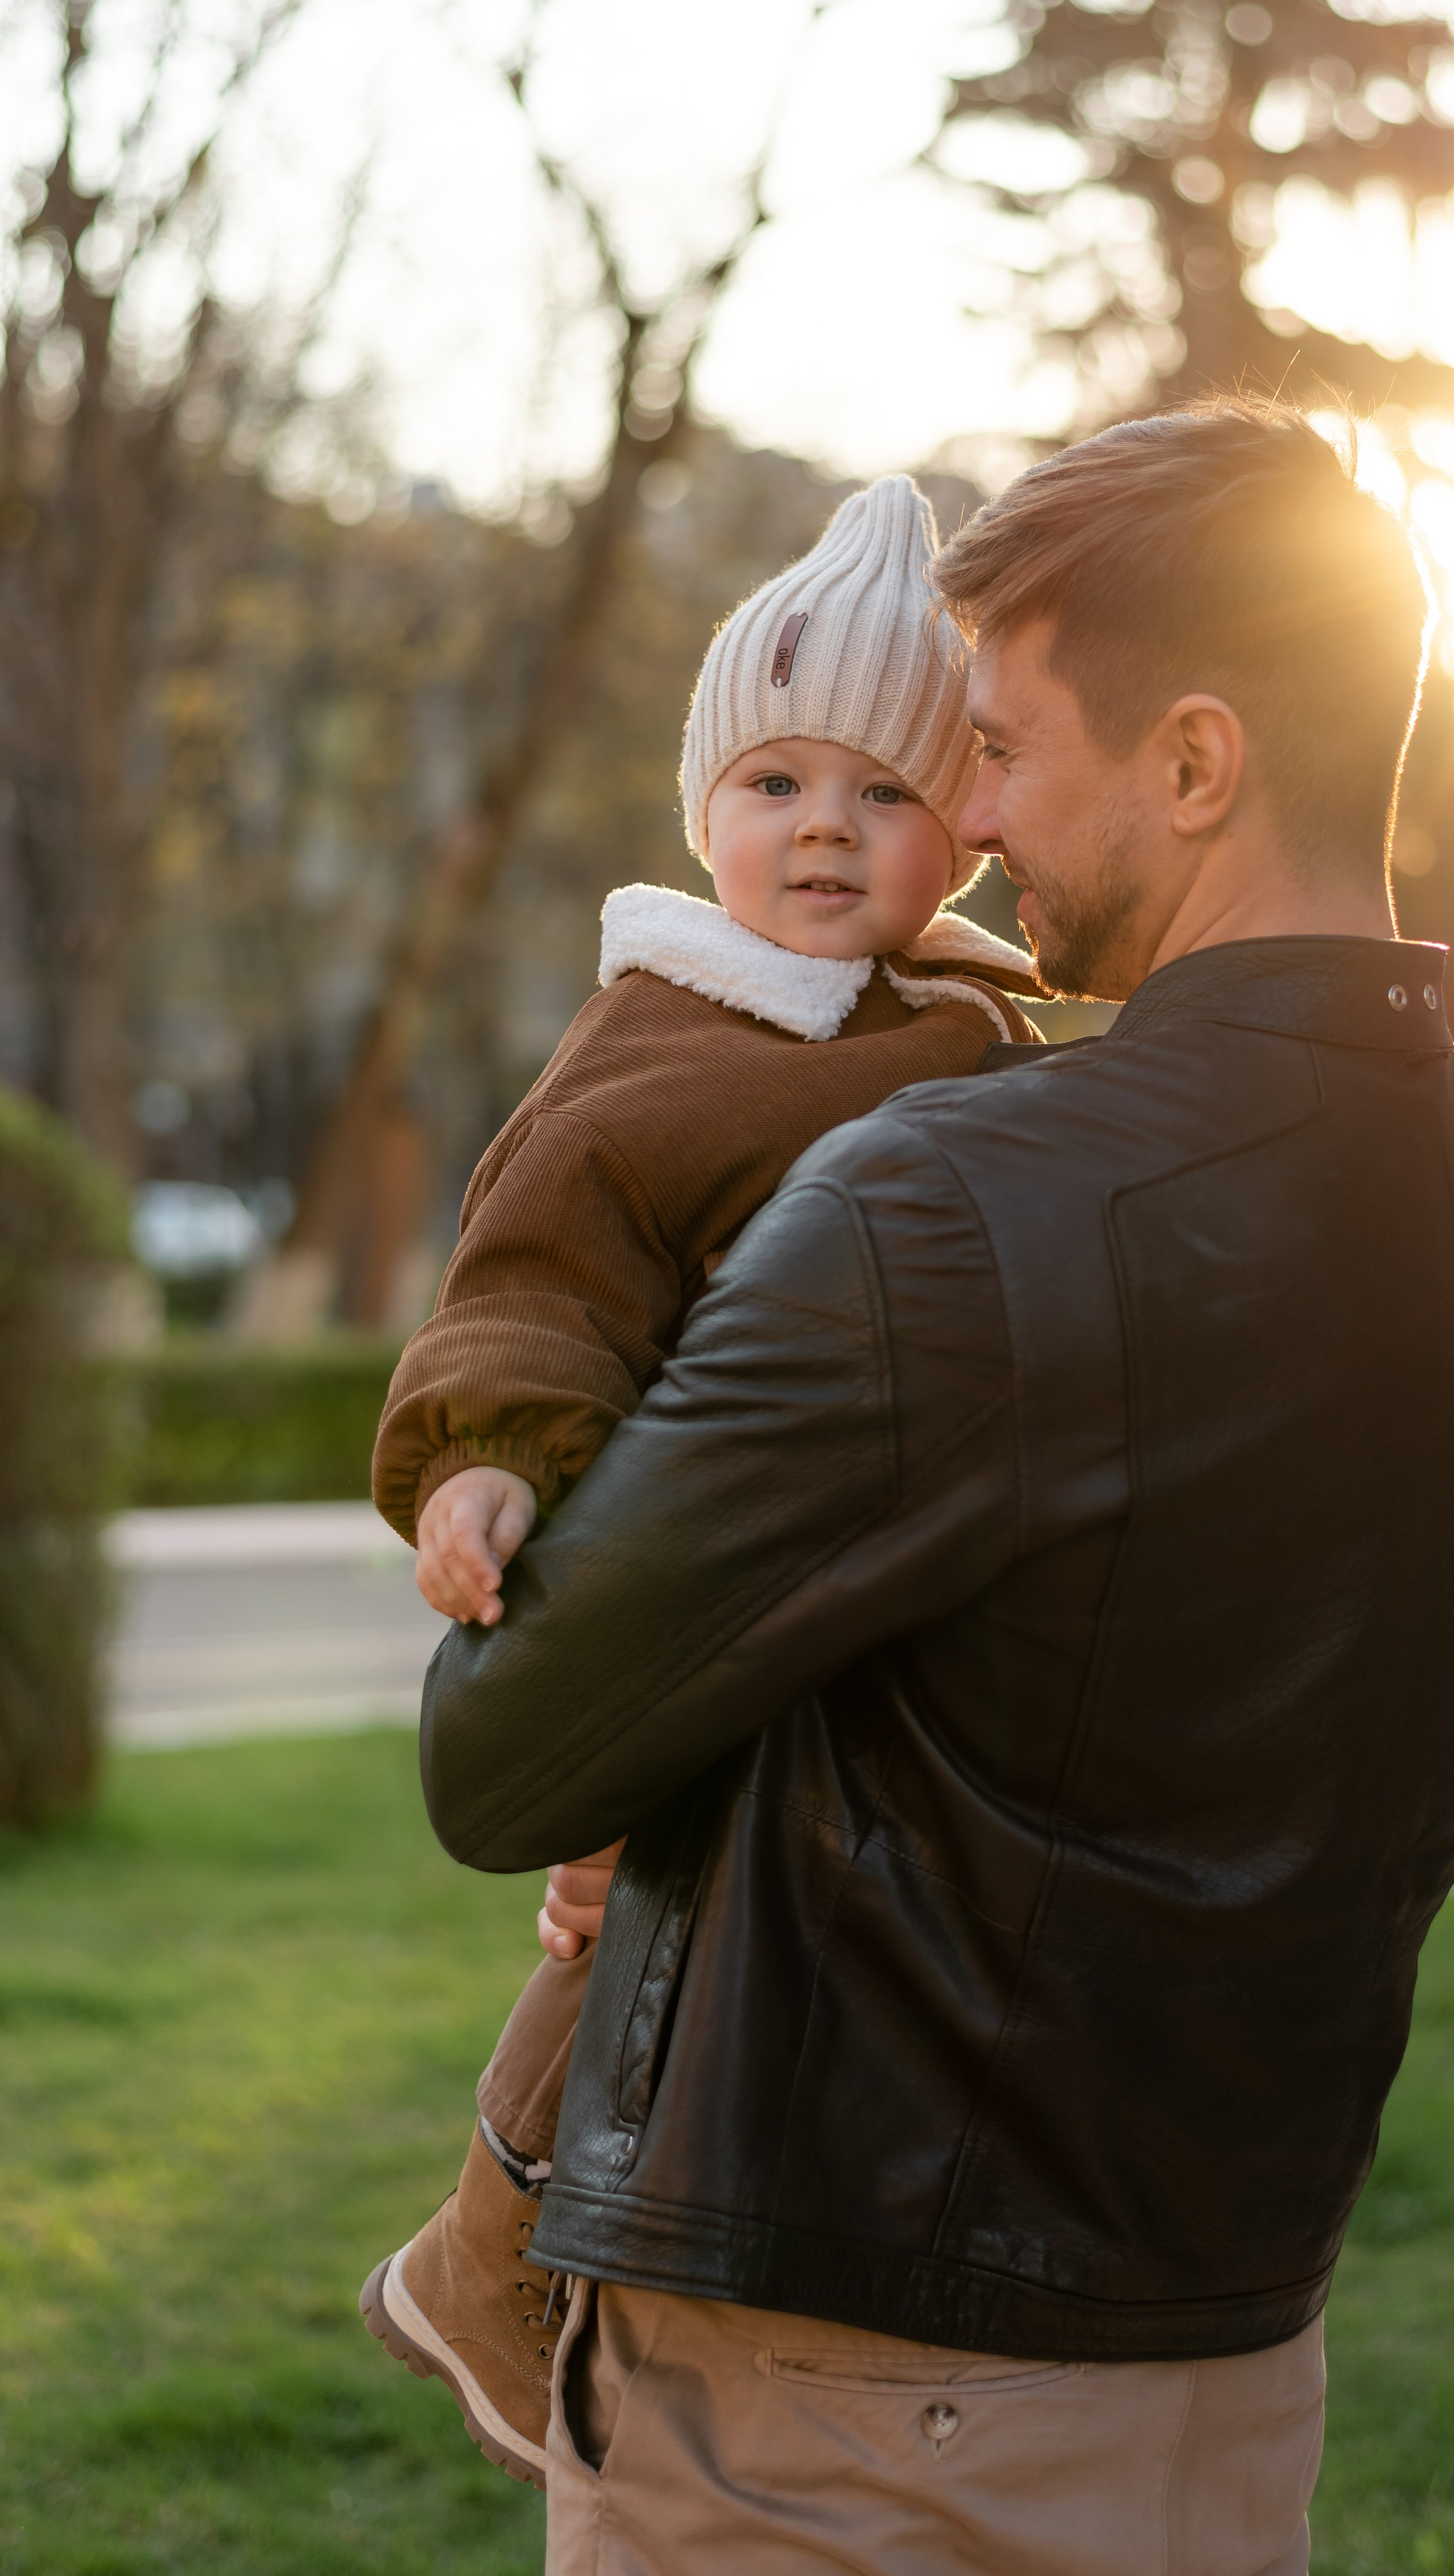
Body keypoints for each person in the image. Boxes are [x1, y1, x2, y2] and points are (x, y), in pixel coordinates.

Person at [420, 399, 1454, 2576]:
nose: (972, 813)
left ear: (1200, 762)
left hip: (842, 2401)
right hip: (1226, 2369)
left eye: (1006, 748)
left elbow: (504, 1752)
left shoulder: (948, 1204)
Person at [358, 475, 1043, 2485]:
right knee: (625, 1909)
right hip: (687, 1557)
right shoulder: (661, 1038)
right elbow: (537, 1275)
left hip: (864, 1570)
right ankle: (487, 2247)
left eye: (884, 792)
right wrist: (482, 1466)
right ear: (701, 811)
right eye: (774, 780)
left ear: (961, 828)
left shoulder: (975, 1028)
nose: (824, 826)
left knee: (715, 1913)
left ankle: (570, 2243)